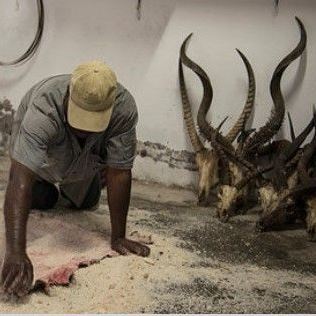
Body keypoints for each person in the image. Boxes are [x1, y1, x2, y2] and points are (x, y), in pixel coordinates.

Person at [0, 60, 150, 297]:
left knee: (86, 202)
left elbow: (120, 172)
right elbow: (19, 178)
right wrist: (16, 252)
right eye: (81, 119)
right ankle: (47, 186)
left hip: (85, 157)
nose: (84, 129)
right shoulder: (44, 106)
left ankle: (80, 183)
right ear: (69, 95)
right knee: (41, 197)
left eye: (93, 121)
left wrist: (118, 235)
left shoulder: (123, 109)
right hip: (46, 159)